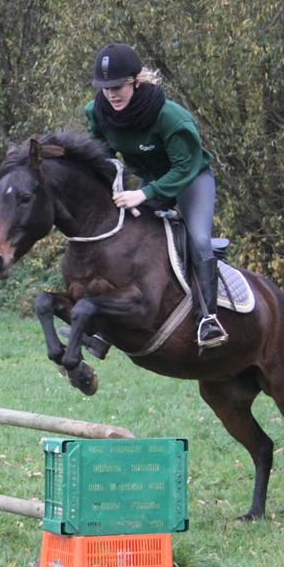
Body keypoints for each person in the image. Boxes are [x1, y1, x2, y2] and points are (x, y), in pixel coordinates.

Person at [85, 42, 228, 348]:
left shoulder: (171, 117)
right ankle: (104, 326)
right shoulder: (98, 112)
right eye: (105, 87)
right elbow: (101, 151)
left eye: (118, 86)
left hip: (191, 180)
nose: (111, 94)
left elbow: (184, 168)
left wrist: (144, 194)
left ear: (136, 81)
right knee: (122, 237)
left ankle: (209, 319)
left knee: (199, 238)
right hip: (149, 182)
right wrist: (113, 177)